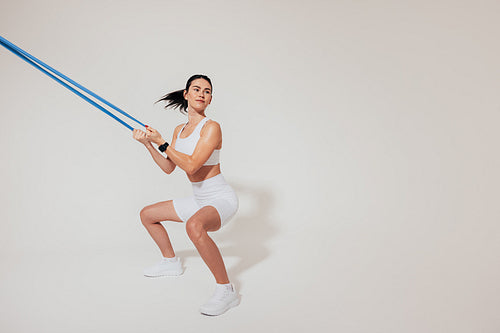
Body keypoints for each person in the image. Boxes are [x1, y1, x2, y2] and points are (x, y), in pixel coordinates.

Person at [132, 74, 240, 316]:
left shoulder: (211, 127)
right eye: (196, 89)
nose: (202, 93)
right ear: (186, 94)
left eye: (207, 91)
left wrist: (161, 142)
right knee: (147, 214)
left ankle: (226, 289)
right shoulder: (179, 130)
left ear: (210, 100)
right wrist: (149, 144)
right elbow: (169, 167)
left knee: (194, 226)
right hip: (199, 199)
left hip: (220, 198)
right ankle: (170, 262)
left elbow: (191, 166)